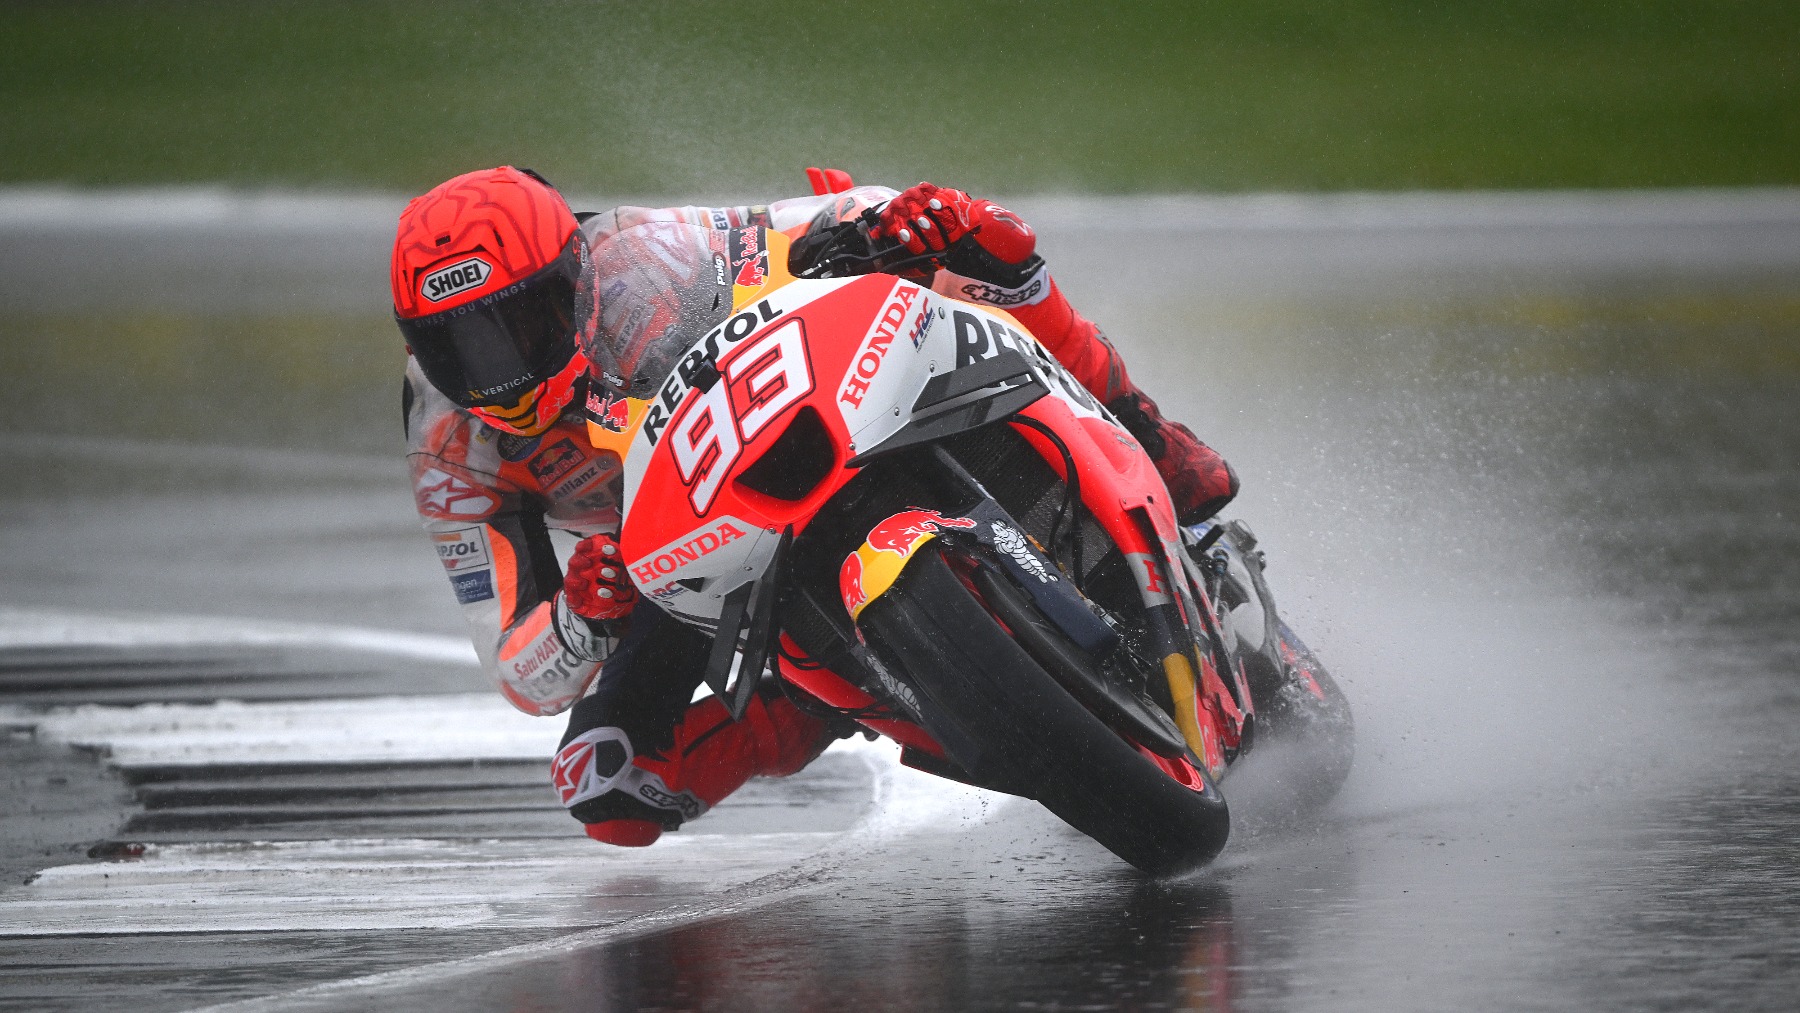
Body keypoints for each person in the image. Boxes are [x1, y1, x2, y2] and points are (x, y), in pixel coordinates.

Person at [389, 166, 1238, 846]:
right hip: (675, 562)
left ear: (572, 276)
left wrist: (895, 226)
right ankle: (834, 694)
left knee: (983, 245)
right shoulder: (446, 441)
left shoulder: (644, 259)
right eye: (457, 345)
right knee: (605, 783)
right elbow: (516, 668)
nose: (495, 372)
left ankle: (1146, 432)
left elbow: (827, 218)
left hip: (805, 425)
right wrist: (582, 614)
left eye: (515, 326)